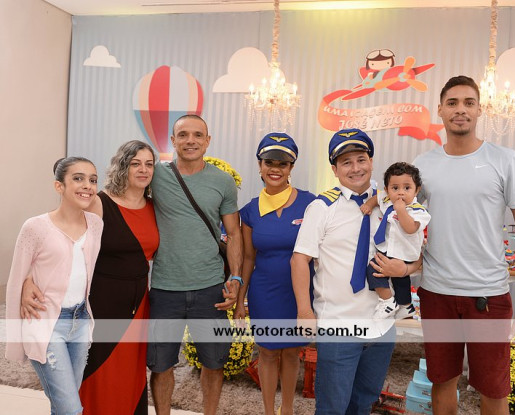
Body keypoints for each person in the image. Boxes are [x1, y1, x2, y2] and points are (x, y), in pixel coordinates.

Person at [412, 75, 515, 415]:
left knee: (494, 388)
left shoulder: (505, 159)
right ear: (440, 110)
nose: (461, 110)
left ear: (479, 110)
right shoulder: (423, 165)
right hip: (437, 292)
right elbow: (406, 223)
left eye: (468, 103)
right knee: (442, 380)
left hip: (489, 293)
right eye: (452, 103)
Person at [20, 141, 160, 414]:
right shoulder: (98, 202)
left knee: (130, 373)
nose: (143, 169)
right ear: (123, 166)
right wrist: (27, 279)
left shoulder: (154, 207)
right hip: (102, 300)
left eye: (149, 164)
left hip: (139, 302)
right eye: (135, 163)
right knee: (98, 372)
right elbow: (56, 237)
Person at [290, 128, 408, 415]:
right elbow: (299, 260)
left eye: (361, 159)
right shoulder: (322, 207)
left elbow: (415, 251)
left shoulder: (393, 203)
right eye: (346, 162)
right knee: (332, 406)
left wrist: (406, 267)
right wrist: (305, 312)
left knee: (364, 402)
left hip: (381, 325)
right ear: (334, 169)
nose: (355, 168)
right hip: (338, 324)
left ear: (371, 162)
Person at [147, 114, 243, 415]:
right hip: (164, 288)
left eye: (198, 135)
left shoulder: (223, 181)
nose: (191, 141)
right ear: (172, 141)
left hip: (210, 289)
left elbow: (234, 233)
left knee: (214, 363)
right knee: (161, 365)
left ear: (208, 141)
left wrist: (236, 278)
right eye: (183, 135)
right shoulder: (154, 176)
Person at [5, 157, 103, 415]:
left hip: (81, 322)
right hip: (45, 324)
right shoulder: (35, 227)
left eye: (93, 180)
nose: (87, 185)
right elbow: (16, 279)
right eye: (78, 178)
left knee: (63, 405)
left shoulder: (96, 224)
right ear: (59, 186)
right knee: (70, 409)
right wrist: (15, 339)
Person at [234, 133, 315, 415]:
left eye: (283, 163)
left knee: (292, 352)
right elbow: (248, 258)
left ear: (292, 168)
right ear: (260, 165)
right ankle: (269, 411)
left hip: (298, 293)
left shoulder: (310, 203)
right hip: (265, 292)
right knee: (267, 352)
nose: (275, 169)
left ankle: (288, 409)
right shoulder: (249, 211)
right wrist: (240, 301)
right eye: (269, 162)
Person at [361, 161, 430, 320]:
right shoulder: (386, 199)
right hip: (389, 248)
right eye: (395, 188)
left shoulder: (418, 211)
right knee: (400, 280)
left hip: (405, 252)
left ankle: (387, 301)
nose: (400, 193)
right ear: (387, 189)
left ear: (417, 190)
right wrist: (368, 204)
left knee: (374, 270)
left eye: (407, 188)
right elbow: (377, 198)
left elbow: (411, 228)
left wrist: (401, 211)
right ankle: (406, 306)